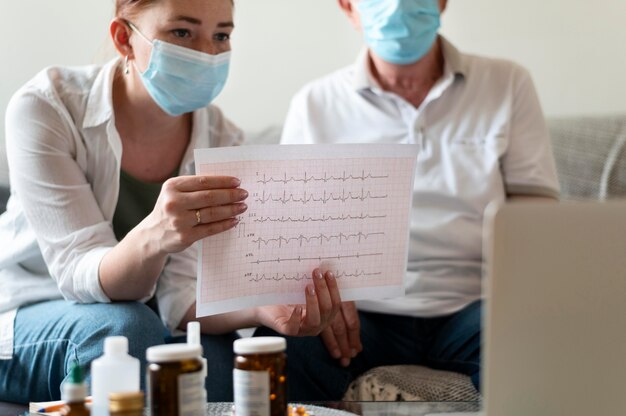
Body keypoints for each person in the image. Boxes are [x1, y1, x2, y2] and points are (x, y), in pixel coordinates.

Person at [0, 0, 341, 404]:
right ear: (124, 38)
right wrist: (156, 234)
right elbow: (79, 273)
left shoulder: (222, 139)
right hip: (36, 309)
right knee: (125, 330)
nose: (207, 54)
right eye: (182, 32)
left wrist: (261, 309)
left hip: (145, 320)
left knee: (233, 360)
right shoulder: (47, 107)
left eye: (221, 35)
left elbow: (180, 296)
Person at [271, 0, 561, 400]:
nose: (396, 6)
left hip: (477, 305)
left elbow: (536, 207)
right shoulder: (316, 103)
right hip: (363, 314)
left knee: (543, 340)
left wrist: (526, 294)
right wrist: (327, 294)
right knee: (284, 345)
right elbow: (292, 227)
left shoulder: (506, 83)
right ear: (348, 7)